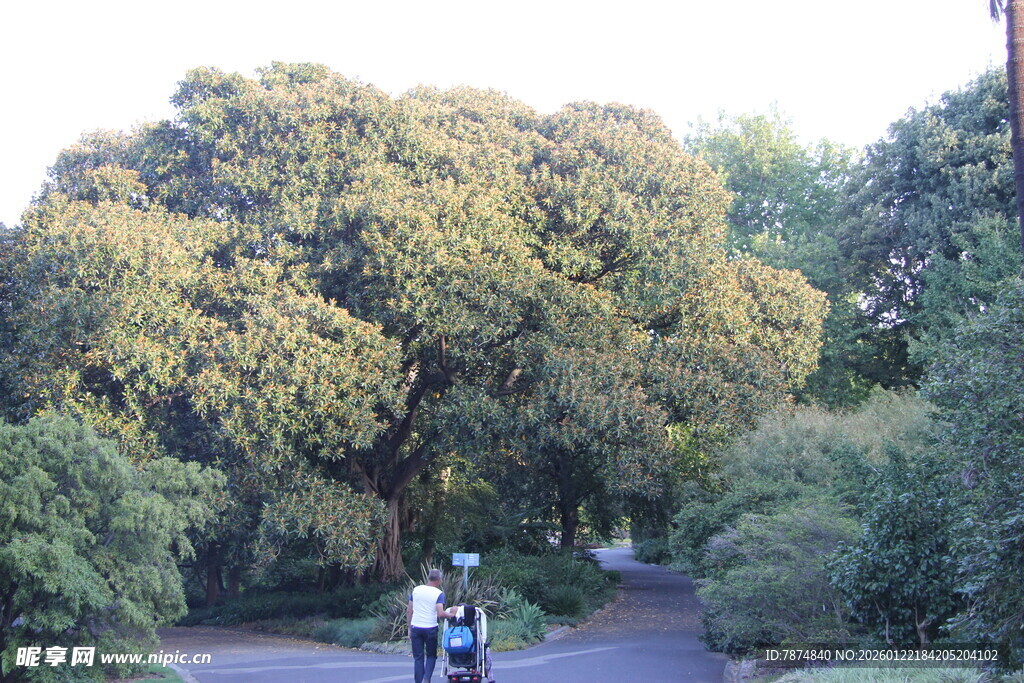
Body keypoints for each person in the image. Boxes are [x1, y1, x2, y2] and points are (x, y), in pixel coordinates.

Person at [408, 568, 458, 682]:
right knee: (431, 655)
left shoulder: (416, 590)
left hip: (416, 626)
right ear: (439, 580)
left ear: (428, 577)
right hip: (430, 628)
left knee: (418, 658)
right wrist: (452, 614)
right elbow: (440, 613)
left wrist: (409, 628)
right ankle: (427, 678)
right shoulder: (438, 594)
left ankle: (418, 681)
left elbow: (409, 610)